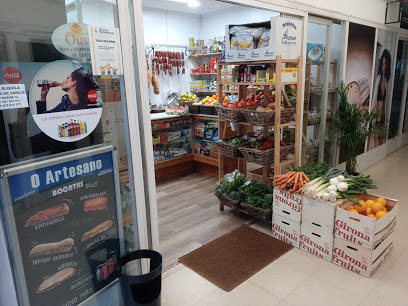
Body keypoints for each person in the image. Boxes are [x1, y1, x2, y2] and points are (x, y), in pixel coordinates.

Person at [371, 49, 391, 148]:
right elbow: (375, 97)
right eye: (382, 64)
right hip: (377, 116)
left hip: (383, 116)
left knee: (381, 139)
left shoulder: (387, 82)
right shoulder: (378, 79)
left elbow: (386, 101)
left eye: (385, 64)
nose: (384, 67)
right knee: (375, 137)